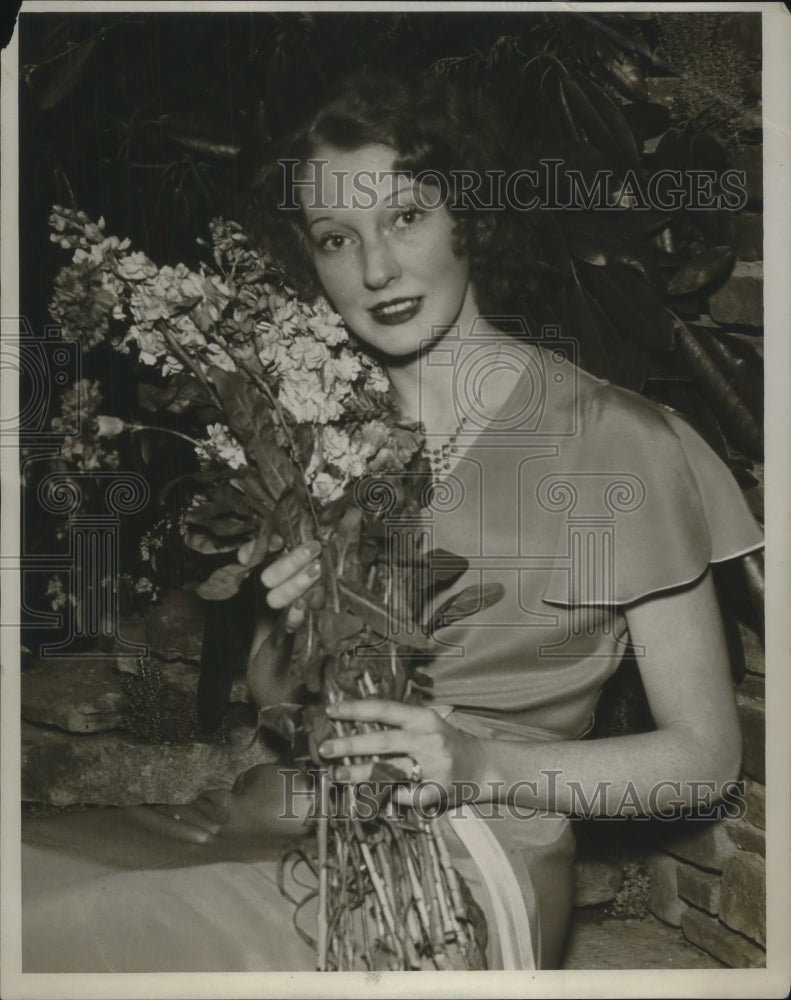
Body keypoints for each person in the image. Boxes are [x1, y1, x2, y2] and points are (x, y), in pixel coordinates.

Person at [21, 69, 763, 972]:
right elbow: (275, 698)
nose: (375, 270)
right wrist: (298, 629)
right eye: (337, 238)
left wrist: (483, 763)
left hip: (467, 859)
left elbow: (703, 760)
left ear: (466, 217)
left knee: (93, 942)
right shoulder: (308, 431)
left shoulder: (618, 440)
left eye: (406, 217)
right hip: (279, 815)